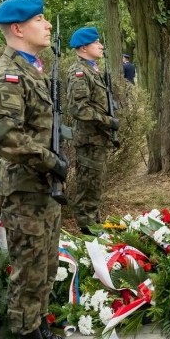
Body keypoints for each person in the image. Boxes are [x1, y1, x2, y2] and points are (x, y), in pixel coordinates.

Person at [0, 0, 84, 339]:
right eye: (39, 19)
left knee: (45, 263)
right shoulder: (7, 74)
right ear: (18, 29)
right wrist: (49, 160)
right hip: (24, 188)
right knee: (29, 267)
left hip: (40, 186)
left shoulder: (33, 69)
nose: (48, 24)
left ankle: (39, 332)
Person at [66, 26, 117, 236]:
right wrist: (108, 121)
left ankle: (94, 225)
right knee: (88, 188)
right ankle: (88, 232)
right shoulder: (79, 72)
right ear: (84, 47)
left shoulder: (92, 69)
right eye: (96, 43)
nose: (101, 46)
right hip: (89, 141)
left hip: (98, 140)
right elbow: (79, 108)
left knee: (95, 187)